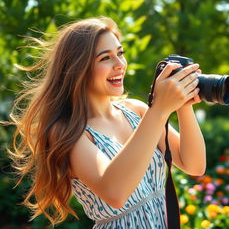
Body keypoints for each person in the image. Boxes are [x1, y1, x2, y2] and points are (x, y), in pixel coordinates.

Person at [9, 16, 206, 228]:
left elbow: (193, 165)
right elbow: (115, 192)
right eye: (106, 58)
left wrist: (184, 103)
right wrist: (159, 109)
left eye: (120, 54)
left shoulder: (137, 111)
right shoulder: (67, 132)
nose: (120, 65)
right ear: (78, 68)